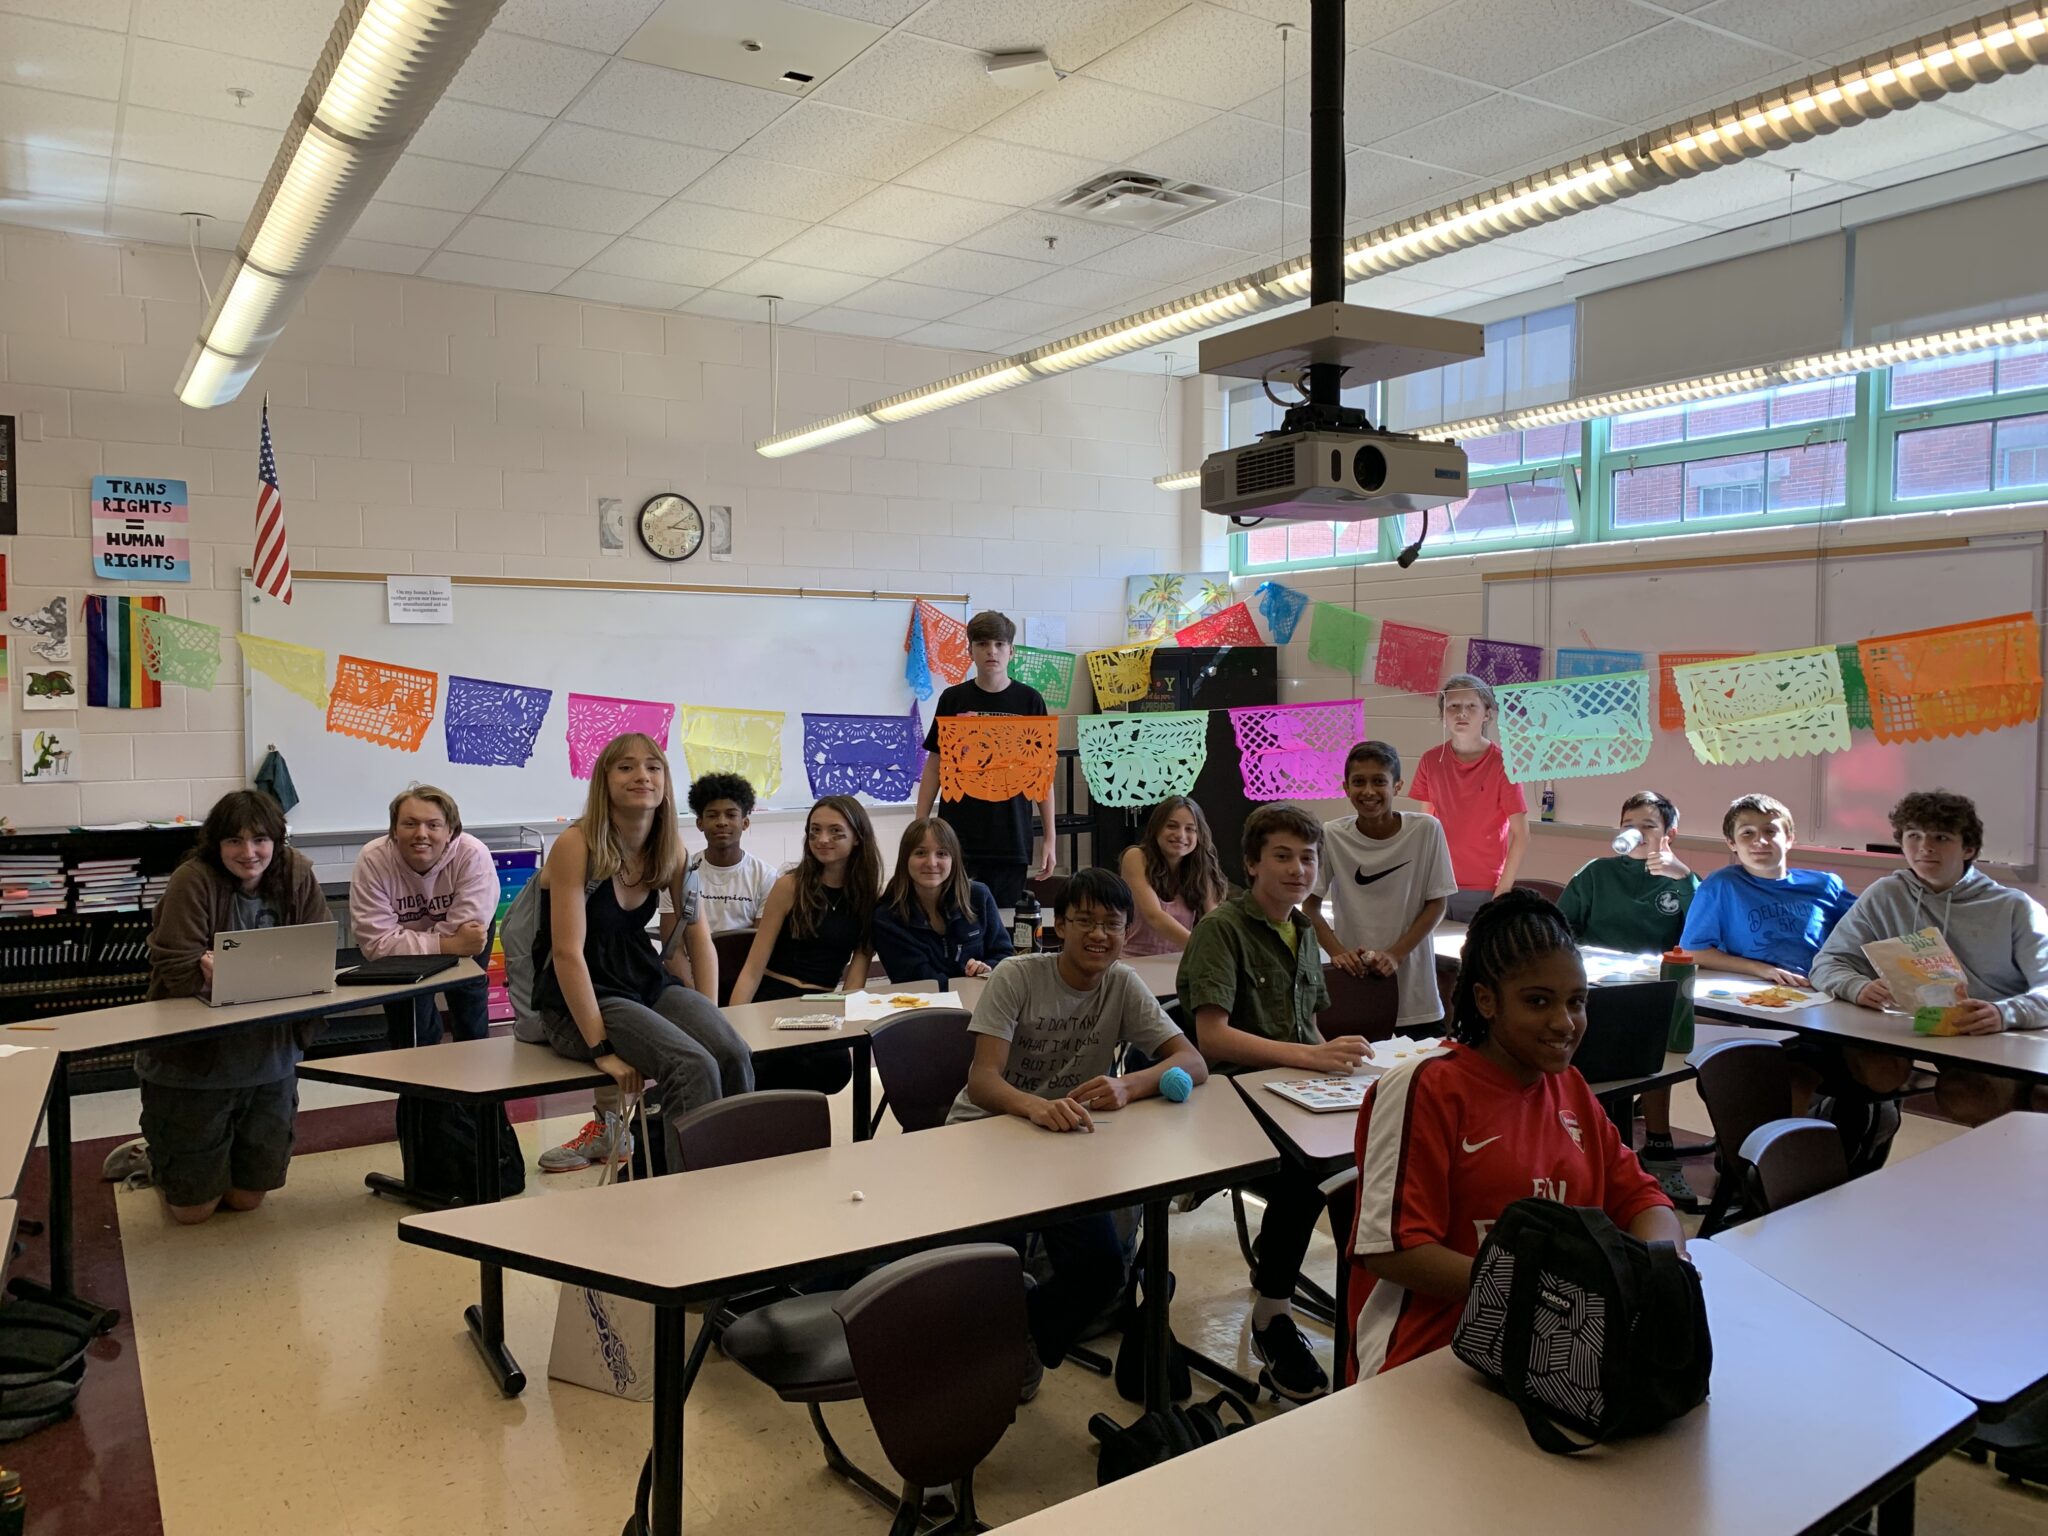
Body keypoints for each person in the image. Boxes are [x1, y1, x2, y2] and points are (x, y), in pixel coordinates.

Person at [1347, 890, 1684, 1381]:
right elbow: (1391, 1248)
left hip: (1557, 1349)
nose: (1563, 1023)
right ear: (1485, 1000)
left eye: (1577, 1002)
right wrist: (1548, 1293)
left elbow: (1639, 1196)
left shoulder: (1567, 1085)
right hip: (1430, 1358)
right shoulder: (1426, 1086)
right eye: (1538, 1001)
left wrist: (1664, 1265)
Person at [951, 868, 1208, 1396]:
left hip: (1064, 1143)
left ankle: (1024, 1334)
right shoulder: (1017, 976)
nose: (1099, 934)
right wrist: (1035, 1107)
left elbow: (1192, 1061)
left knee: (1101, 1272)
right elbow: (982, 1082)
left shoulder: (1121, 982)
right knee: (990, 1267)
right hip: (988, 1134)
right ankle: (987, 1340)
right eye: (1084, 921)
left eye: (1112, 924)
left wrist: (1129, 1086)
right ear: (1059, 926)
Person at [1178, 804, 1372, 1403]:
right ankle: (1272, 1312)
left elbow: (1306, 1026)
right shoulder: (1222, 929)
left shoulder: (1305, 929)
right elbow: (1212, 1037)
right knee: (1307, 1170)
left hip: (1290, 1088)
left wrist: (1333, 1066)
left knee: (1373, 1144)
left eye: (1307, 858)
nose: (1297, 869)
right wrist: (1309, 1058)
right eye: (1282, 856)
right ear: (1252, 863)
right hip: (1231, 1094)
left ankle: (1372, 1292)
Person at [528, 733, 753, 1175]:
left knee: (731, 1051)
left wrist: (708, 1016)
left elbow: (698, 939)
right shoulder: (578, 844)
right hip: (581, 997)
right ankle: (682, 1193)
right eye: (626, 767)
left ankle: (735, 1175)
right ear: (604, 780)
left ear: (665, 781)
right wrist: (601, 1048)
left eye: (653, 766)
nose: (642, 776)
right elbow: (566, 953)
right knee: (691, 1066)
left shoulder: (670, 848)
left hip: (641, 981)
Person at [141, 790, 329, 1224]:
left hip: (269, 1054)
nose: (249, 853)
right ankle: (156, 1157)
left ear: (276, 841)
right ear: (216, 844)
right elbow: (177, 966)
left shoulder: (296, 872)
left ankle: (200, 1161)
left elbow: (316, 952)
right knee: (193, 1212)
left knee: (246, 1200)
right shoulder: (192, 879)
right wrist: (265, 973)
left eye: (260, 840)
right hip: (196, 1060)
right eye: (234, 842)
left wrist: (228, 971)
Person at [1809, 789, 2048, 1127]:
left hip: (1985, 1037)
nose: (1925, 847)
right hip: (1909, 1028)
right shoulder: (1886, 894)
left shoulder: (2014, 908)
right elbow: (1827, 962)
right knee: (1873, 1069)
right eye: (1914, 835)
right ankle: (1860, 1142)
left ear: (1968, 848)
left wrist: (2005, 1013)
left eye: (1941, 837)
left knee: (1970, 1095)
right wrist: (1855, 986)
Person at [1556, 789, 1702, 1206]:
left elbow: (1703, 933)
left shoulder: (1683, 880)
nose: (1637, 834)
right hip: (1596, 987)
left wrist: (1683, 878)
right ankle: (1587, 1146)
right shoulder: (1597, 873)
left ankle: (1658, 1146)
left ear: (1669, 833)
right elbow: (1562, 928)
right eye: (1628, 826)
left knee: (1650, 1041)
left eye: (1648, 826)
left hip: (1655, 990)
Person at [731, 794, 882, 1093]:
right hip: (775, 995)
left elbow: (856, 976)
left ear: (857, 838)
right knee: (774, 1063)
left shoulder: (868, 898)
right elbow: (753, 967)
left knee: (834, 1068)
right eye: (814, 831)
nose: (822, 839)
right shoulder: (790, 885)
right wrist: (734, 1026)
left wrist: (844, 1025)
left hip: (822, 1000)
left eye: (835, 831)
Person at [1304, 742, 1456, 1032]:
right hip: (1356, 992)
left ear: (1397, 786)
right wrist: (1338, 953)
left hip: (1416, 999)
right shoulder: (1332, 834)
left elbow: (1437, 903)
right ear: (1346, 787)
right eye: (1359, 782)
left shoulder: (1426, 829)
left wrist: (1395, 955)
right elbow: (1310, 907)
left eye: (1379, 781)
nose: (1369, 791)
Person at [915, 609, 1055, 907]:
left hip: (1011, 836)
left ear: (1011, 651)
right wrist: (920, 824)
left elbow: (1042, 773)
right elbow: (935, 765)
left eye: (999, 644)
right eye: (982, 644)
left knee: (1003, 928)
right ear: (971, 651)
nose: (991, 651)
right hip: (957, 837)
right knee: (956, 919)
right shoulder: (953, 699)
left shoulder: (1030, 701)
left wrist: (1051, 839)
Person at [348, 784, 499, 1050]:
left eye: (433, 825)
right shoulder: (373, 860)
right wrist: (447, 944)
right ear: (394, 830)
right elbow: (376, 946)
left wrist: (405, 942)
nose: (421, 834)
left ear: (451, 831)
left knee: (470, 1009)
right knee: (408, 1020)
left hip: (445, 943)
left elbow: (470, 938)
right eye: (410, 824)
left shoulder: (472, 854)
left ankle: (475, 1082)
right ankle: (416, 1088)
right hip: (427, 949)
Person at [1679, 793, 1856, 984]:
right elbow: (1693, 952)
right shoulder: (1722, 885)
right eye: (1747, 833)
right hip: (1753, 992)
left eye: (1770, 831)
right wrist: (1762, 970)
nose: (1760, 841)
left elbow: (1866, 935)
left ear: (1789, 839)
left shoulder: (1826, 885)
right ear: (1732, 843)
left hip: (1819, 989)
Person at [1407, 674, 1528, 921]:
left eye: (1471, 706)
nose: (1462, 713)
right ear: (1443, 715)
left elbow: (1522, 833)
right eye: (1453, 706)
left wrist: (1502, 891)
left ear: (1486, 714)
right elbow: (1425, 826)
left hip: (1484, 888)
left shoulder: (1503, 764)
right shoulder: (1430, 760)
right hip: (1437, 884)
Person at [872, 817, 1012, 985]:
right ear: (904, 859)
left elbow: (1005, 956)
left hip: (983, 999)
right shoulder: (887, 917)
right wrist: (971, 983)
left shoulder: (978, 896)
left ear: (954, 859)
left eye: (942, 854)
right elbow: (920, 982)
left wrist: (987, 968)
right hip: (926, 1006)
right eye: (920, 853)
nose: (931, 863)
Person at [1118, 795, 1228, 956]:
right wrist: (1202, 947)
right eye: (1172, 826)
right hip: (1133, 961)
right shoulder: (1136, 857)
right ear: (1156, 828)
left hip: (1180, 960)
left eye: (1190, 829)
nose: (1181, 835)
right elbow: (1153, 915)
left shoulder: (1202, 866)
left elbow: (1213, 919)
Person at [687, 772, 776, 934]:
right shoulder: (683, 873)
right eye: (712, 815)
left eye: (731, 815)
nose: (722, 822)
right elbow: (674, 943)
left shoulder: (766, 876)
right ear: (700, 823)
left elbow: (760, 941)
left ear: (745, 823)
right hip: (692, 959)